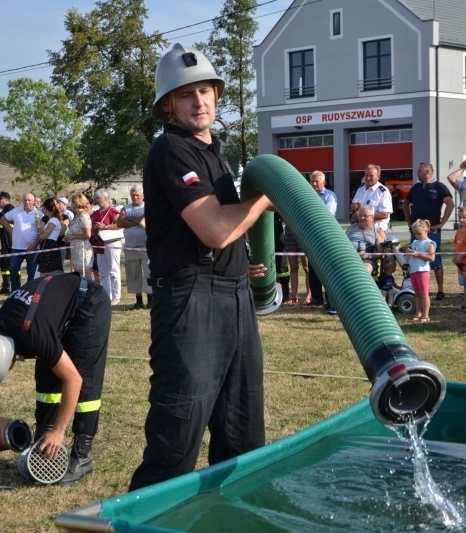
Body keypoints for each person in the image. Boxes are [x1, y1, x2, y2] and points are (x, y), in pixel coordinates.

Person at [129, 43, 272, 491]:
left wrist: (237, 266)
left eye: (206, 90)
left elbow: (220, 236)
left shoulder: (213, 152)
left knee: (243, 432)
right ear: (167, 104)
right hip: (190, 304)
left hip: (232, 295)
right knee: (177, 437)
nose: (200, 101)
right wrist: (265, 198)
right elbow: (213, 230)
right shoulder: (172, 150)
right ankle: (142, 521)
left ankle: (229, 518)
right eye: (187, 94)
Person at [0, 272, 111, 485]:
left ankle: (82, 457)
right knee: (46, 381)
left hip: (89, 302)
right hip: (49, 311)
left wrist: (59, 431)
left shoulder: (33, 334)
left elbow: (74, 380)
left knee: (84, 380)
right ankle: (42, 448)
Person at [403, 162, 455, 300]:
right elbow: (406, 203)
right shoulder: (416, 188)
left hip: (432, 231)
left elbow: (450, 203)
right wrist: (409, 221)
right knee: (414, 257)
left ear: (427, 172)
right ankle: (418, 289)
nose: (416, 173)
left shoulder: (439, 187)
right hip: (416, 232)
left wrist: (441, 223)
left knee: (435, 260)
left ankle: (440, 290)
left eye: (419, 171)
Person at [116, 185, 151, 309]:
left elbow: (147, 220)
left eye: (137, 195)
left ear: (143, 196)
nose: (135, 197)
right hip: (131, 247)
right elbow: (120, 223)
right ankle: (139, 300)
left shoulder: (148, 207)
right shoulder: (126, 208)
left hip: (146, 246)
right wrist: (138, 221)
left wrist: (130, 219)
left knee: (148, 272)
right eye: (133, 195)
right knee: (133, 273)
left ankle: (150, 299)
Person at [307, 170, 337, 310]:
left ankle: (329, 298)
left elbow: (328, 214)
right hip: (311, 236)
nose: (313, 184)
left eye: (316, 181)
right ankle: (316, 297)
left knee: (326, 268)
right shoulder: (306, 195)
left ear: (323, 182)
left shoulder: (330, 196)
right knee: (313, 267)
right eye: (312, 181)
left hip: (326, 236)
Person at [3, 193, 42, 292]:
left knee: (32, 272)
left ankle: (29, 292)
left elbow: (42, 233)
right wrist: (10, 231)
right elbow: (4, 219)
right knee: (13, 269)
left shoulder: (39, 214)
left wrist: (35, 245)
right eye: (25, 200)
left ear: (33, 202)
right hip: (17, 247)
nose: (27, 202)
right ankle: (16, 291)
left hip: (33, 248)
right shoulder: (16, 211)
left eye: (29, 200)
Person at [90, 190, 123, 305]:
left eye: (99, 198)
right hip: (99, 243)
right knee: (103, 271)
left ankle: (116, 295)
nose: (97, 201)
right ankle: (106, 295)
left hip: (112, 242)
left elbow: (120, 224)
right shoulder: (95, 213)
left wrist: (106, 226)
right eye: (96, 198)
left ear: (105, 198)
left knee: (113, 269)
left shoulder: (112, 211)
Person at [406, 219, 436, 323]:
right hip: (413, 270)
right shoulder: (414, 243)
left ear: (426, 230)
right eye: (415, 234)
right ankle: (418, 313)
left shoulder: (429, 243)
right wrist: (409, 253)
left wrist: (419, 255)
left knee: (424, 294)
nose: (417, 236)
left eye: (419, 234)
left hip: (423, 271)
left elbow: (432, 258)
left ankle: (425, 314)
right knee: (417, 293)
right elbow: (412, 255)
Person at [350, 163, 393, 230]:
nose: (368, 178)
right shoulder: (360, 190)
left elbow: (384, 214)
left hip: (376, 230)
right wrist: (353, 208)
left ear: (378, 177)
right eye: (366, 175)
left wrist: (363, 217)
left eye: (371, 176)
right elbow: (354, 211)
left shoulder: (383, 192)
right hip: (359, 228)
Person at [346, 204, 385, 275]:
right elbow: (343, 242)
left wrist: (368, 255)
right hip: (349, 258)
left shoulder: (378, 231)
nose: (362, 218)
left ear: (372, 217)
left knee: (365, 270)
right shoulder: (351, 227)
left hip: (367, 260)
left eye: (365, 216)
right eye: (360, 215)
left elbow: (380, 252)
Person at [34, 198, 66, 276]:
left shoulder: (53, 220)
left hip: (50, 245)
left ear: (46, 208)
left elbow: (44, 236)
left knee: (47, 272)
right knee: (44, 271)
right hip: (47, 245)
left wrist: (40, 226)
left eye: (43, 208)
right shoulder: (51, 219)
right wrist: (40, 227)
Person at [64, 194, 93, 277]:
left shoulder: (84, 216)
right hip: (76, 250)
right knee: (79, 275)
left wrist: (72, 237)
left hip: (83, 251)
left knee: (85, 276)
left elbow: (88, 234)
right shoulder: (77, 216)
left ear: (75, 203)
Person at [0, 192, 15, 295]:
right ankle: (6, 286)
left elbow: (1, 218)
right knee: (4, 266)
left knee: (10, 266)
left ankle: (11, 287)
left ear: (6, 199)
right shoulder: (4, 211)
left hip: (10, 245)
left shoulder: (9, 209)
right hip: (5, 244)